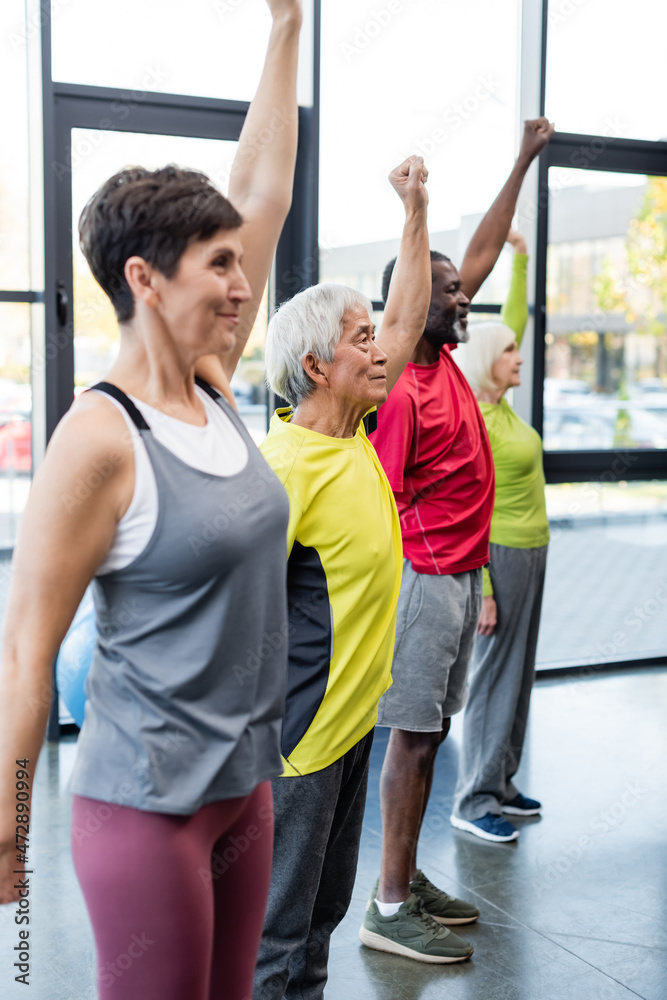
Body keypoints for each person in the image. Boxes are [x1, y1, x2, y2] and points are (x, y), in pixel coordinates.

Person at [0, 3, 302, 998]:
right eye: (217, 264)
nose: (239, 282)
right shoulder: (98, 439)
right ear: (145, 279)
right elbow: (25, 648)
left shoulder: (214, 381)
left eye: (237, 261)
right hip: (145, 807)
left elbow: (258, 187)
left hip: (243, 791)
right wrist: (7, 829)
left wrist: (286, 27)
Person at [250, 153, 474, 999]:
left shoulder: (355, 434)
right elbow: (239, 622)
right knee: (277, 935)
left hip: (350, 735)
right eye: (360, 339)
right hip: (300, 747)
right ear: (317, 366)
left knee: (320, 924)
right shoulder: (284, 467)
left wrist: (415, 209)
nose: (380, 346)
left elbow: (410, 311)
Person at [362, 118, 555, 963]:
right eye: (441, 292)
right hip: (419, 582)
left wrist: (518, 160)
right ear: (408, 303)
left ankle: (407, 875)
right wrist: (415, 215)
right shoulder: (404, 382)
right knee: (409, 741)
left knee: (433, 736)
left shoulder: (446, 366)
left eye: (457, 289)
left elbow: (471, 257)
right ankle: (388, 903)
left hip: (454, 576)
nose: (458, 296)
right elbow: (378, 504)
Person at [449, 228, 549, 842]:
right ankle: (473, 796)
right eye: (509, 352)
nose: (519, 356)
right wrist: (483, 587)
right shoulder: (479, 418)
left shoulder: (503, 407)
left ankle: (502, 780)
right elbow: (472, 504)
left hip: (533, 550)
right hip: (501, 555)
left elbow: (511, 321)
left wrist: (520, 260)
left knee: (521, 669)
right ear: (489, 360)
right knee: (493, 672)